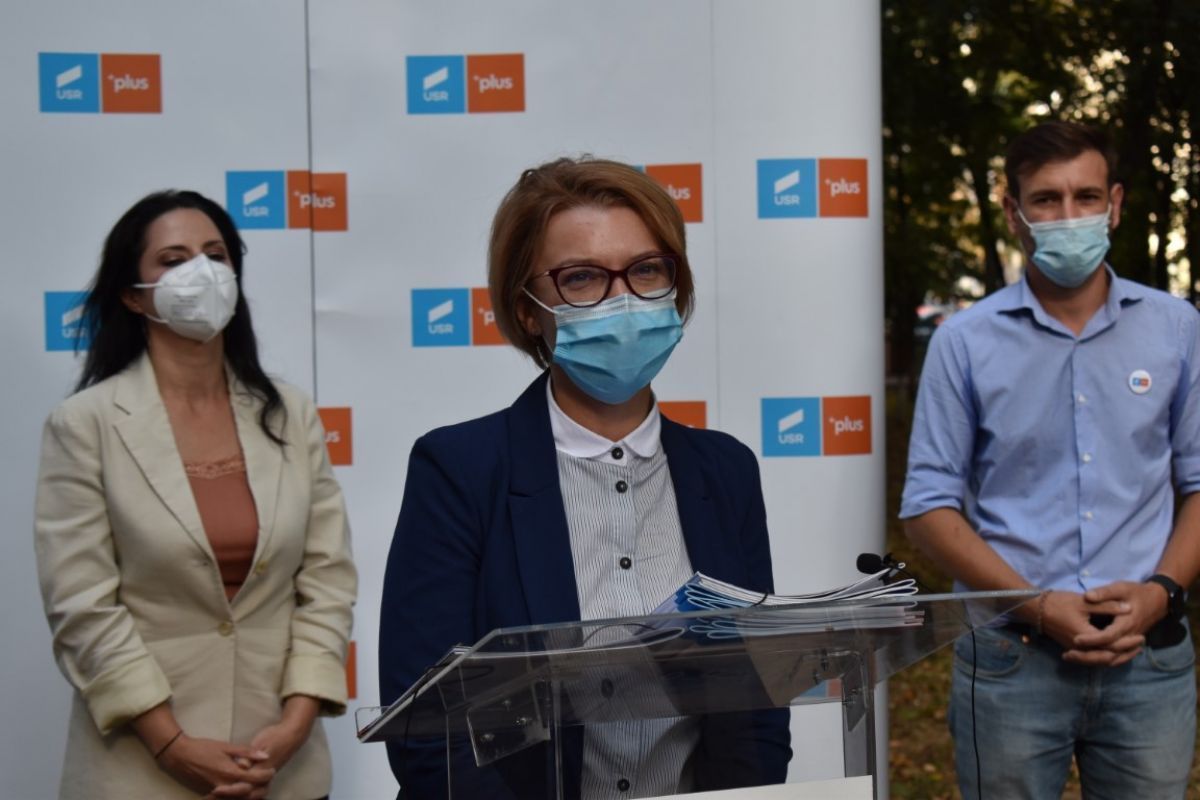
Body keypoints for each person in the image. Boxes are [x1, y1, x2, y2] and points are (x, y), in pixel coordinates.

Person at [379, 157, 791, 799]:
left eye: (646, 269)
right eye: (582, 278)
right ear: (529, 310)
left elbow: (755, 708)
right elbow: (428, 728)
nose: (621, 299)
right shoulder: (460, 470)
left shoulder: (725, 470)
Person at [900, 120, 1200, 798]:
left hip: (1148, 661)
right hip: (1012, 659)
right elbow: (927, 508)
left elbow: (1198, 483)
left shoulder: (1177, 327)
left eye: (1086, 196)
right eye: (1046, 199)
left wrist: (1159, 594)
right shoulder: (963, 342)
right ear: (1015, 214)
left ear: (1114, 205)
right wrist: (1035, 605)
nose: (1069, 216)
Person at [34, 190, 358, 800]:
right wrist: (172, 746)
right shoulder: (84, 425)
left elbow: (328, 581)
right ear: (132, 295)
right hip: (139, 773)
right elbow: (82, 607)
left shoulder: (290, 414)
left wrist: (294, 725)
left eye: (215, 254)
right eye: (173, 260)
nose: (201, 273)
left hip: (281, 769)